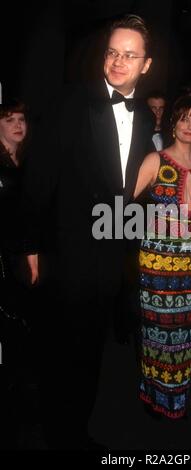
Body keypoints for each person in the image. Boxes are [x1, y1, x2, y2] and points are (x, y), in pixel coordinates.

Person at [22, 14, 153, 449]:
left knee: (91, 353)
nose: (117, 61)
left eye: (129, 55)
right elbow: (39, 178)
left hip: (109, 262)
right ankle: (58, 431)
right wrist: (30, 246)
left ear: (146, 65)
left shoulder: (149, 122)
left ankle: (76, 429)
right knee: (61, 352)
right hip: (66, 255)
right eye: (113, 52)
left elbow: (127, 193)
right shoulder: (71, 102)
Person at [133, 95, 191, 419]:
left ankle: (176, 399)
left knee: (183, 338)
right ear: (173, 123)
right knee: (156, 334)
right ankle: (152, 394)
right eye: (185, 119)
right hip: (156, 266)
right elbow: (124, 200)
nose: (190, 126)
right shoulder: (155, 161)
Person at [0, 99, 29, 448]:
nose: (18, 124)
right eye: (10, 120)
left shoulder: (27, 161)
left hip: (24, 253)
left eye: (22, 119)